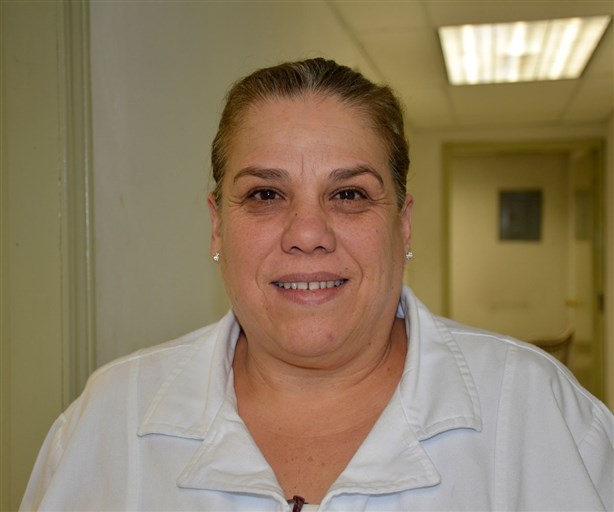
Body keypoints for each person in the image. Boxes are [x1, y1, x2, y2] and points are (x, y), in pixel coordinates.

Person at [21, 58, 613, 511]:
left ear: (402, 225)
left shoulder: (539, 413)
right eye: (265, 194)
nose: (307, 233)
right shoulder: (106, 423)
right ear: (217, 226)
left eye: (349, 193)